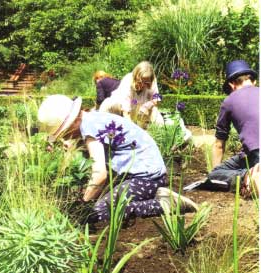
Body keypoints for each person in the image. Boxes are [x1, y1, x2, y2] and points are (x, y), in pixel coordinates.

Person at [38, 94, 198, 223]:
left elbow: (100, 175)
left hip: (146, 177)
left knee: (100, 212)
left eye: (64, 132)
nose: (65, 136)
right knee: (103, 201)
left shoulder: (89, 127)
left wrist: (83, 205)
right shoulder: (93, 119)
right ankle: (154, 195)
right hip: (141, 174)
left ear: (74, 122)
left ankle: (165, 203)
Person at [208, 59, 259, 196]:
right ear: (253, 81)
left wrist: (214, 174)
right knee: (244, 158)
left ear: (232, 85)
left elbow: (219, 144)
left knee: (215, 174)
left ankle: (248, 177)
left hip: (256, 153)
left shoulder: (229, 101)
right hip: (252, 155)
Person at [99, 61, 164, 127]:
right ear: (136, 78)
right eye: (141, 82)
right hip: (116, 108)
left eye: (146, 83)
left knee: (159, 121)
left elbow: (157, 99)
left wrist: (147, 105)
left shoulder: (152, 79)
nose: (143, 85)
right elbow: (126, 111)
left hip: (137, 107)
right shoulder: (128, 81)